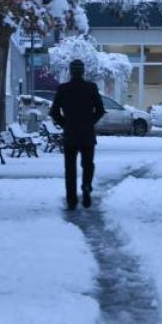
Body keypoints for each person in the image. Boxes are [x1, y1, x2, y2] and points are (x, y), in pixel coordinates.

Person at [48, 59, 106, 210]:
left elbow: (54, 111)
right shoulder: (91, 88)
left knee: (70, 168)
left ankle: (71, 199)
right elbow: (100, 110)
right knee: (88, 164)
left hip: (70, 134)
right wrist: (90, 122)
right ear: (83, 71)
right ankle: (86, 186)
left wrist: (65, 123)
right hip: (87, 133)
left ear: (70, 72)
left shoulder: (64, 89)